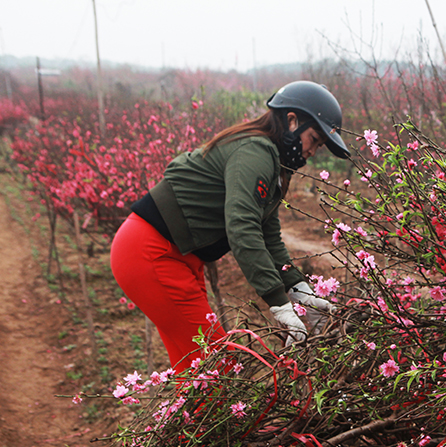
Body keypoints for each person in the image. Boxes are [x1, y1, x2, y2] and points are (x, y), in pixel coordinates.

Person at [110, 81, 350, 370]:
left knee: (195, 368)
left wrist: (298, 288)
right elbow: (242, 226)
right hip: (152, 251)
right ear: (292, 121)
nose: (313, 151)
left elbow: (267, 234)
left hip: (177, 256)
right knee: (214, 367)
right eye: (314, 139)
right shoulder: (255, 153)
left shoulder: (271, 164)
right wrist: (278, 302)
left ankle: (192, 415)